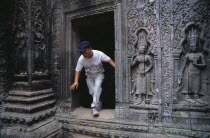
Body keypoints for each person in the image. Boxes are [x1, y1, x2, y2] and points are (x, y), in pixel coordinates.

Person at [70, 41, 115, 117]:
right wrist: (75, 81)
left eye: (84, 51)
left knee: (97, 88)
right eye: (81, 52)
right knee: (92, 91)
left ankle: (94, 107)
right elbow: (78, 70)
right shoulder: (81, 59)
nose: (83, 54)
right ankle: (98, 103)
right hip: (89, 76)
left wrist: (115, 66)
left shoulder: (99, 54)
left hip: (99, 75)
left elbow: (108, 60)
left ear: (90, 49)